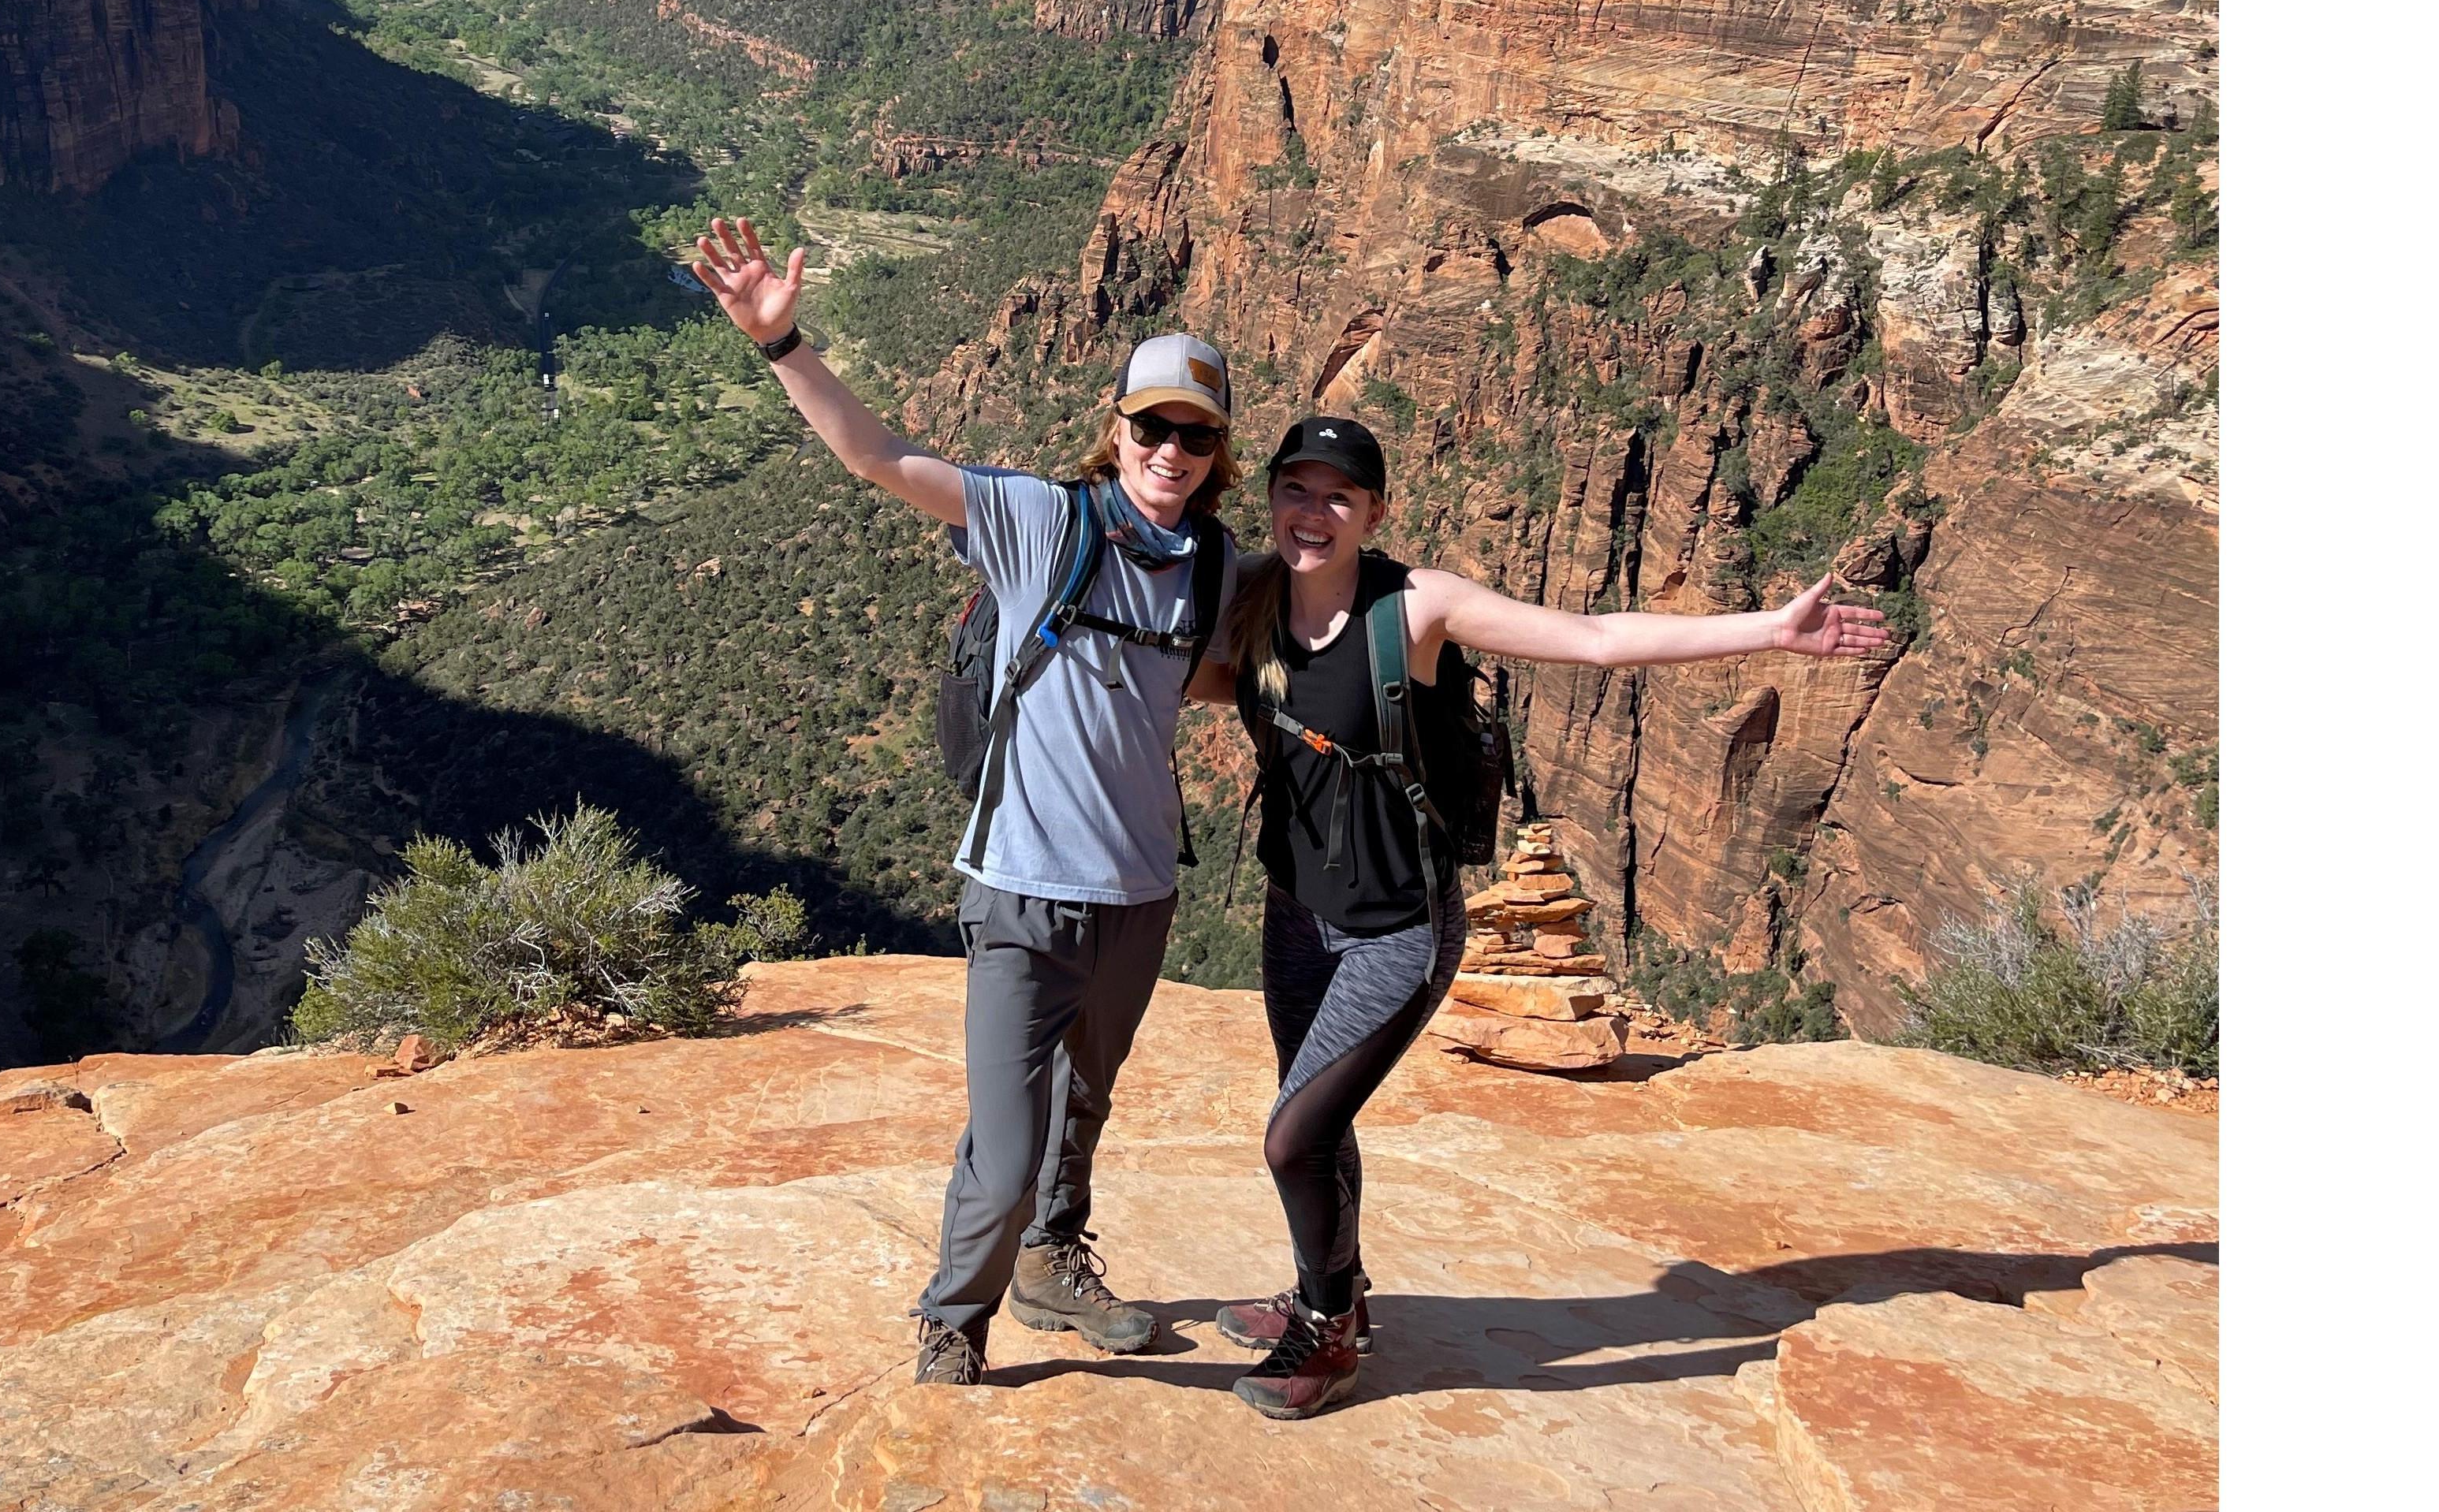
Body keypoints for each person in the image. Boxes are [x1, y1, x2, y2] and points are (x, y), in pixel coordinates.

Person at [1191, 412, 1894, 1421]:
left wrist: (1771, 631)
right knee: (1317, 1114)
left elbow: (1598, 642)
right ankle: (1324, 1290)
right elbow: (1179, 652)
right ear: (1271, 498)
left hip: (1398, 931)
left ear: (1374, 510)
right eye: (1295, 490)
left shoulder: (1416, 605)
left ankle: (1331, 1331)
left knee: (1291, 1139)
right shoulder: (1256, 593)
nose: (1313, 513)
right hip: (1296, 914)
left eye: (1338, 495)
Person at [689, 215, 1244, 1386]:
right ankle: (954, 1316)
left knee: (1082, 1111)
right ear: (1117, 428)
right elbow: (881, 459)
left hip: (1140, 894)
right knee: (1005, 1142)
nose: (1172, 450)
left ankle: (1052, 1258)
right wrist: (782, 344)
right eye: (1153, 426)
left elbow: (1219, 673)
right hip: (1020, 896)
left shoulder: (1214, 565)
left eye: (1194, 434)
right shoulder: (1040, 518)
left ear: (1217, 448)